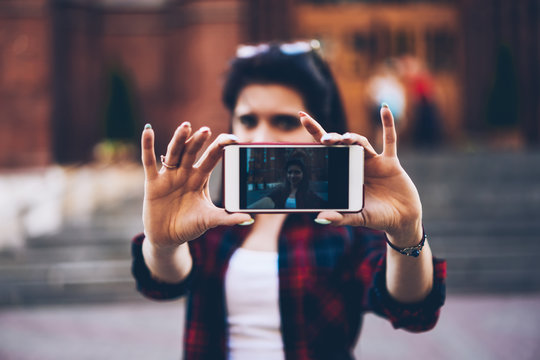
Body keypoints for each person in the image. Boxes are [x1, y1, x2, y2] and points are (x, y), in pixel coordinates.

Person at [132, 40, 446, 360]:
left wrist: (407, 232)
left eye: (284, 122)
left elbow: (411, 309)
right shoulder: (211, 216)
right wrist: (162, 243)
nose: (260, 137)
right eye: (248, 120)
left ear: (318, 130)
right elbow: (166, 282)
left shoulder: (345, 222)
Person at [249, 156, 327, 209]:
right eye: (290, 172)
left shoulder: (309, 194)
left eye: (297, 172)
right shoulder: (280, 191)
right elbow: (266, 201)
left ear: (303, 174)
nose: (292, 176)